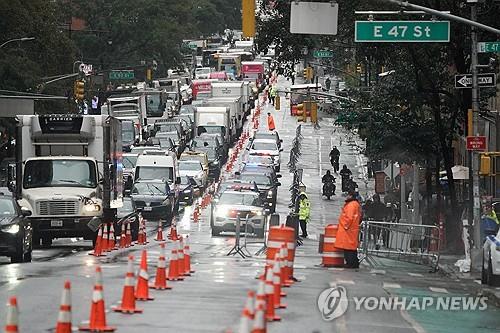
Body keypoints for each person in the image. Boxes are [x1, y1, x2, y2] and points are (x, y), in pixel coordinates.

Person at [334, 191, 362, 268]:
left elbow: (349, 217)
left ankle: (350, 263)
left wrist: (345, 226)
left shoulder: (351, 205)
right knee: (352, 248)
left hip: (348, 230)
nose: (346, 197)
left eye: (348, 195)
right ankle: (354, 263)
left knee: (348, 248)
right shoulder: (355, 204)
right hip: (352, 229)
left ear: (351, 196)